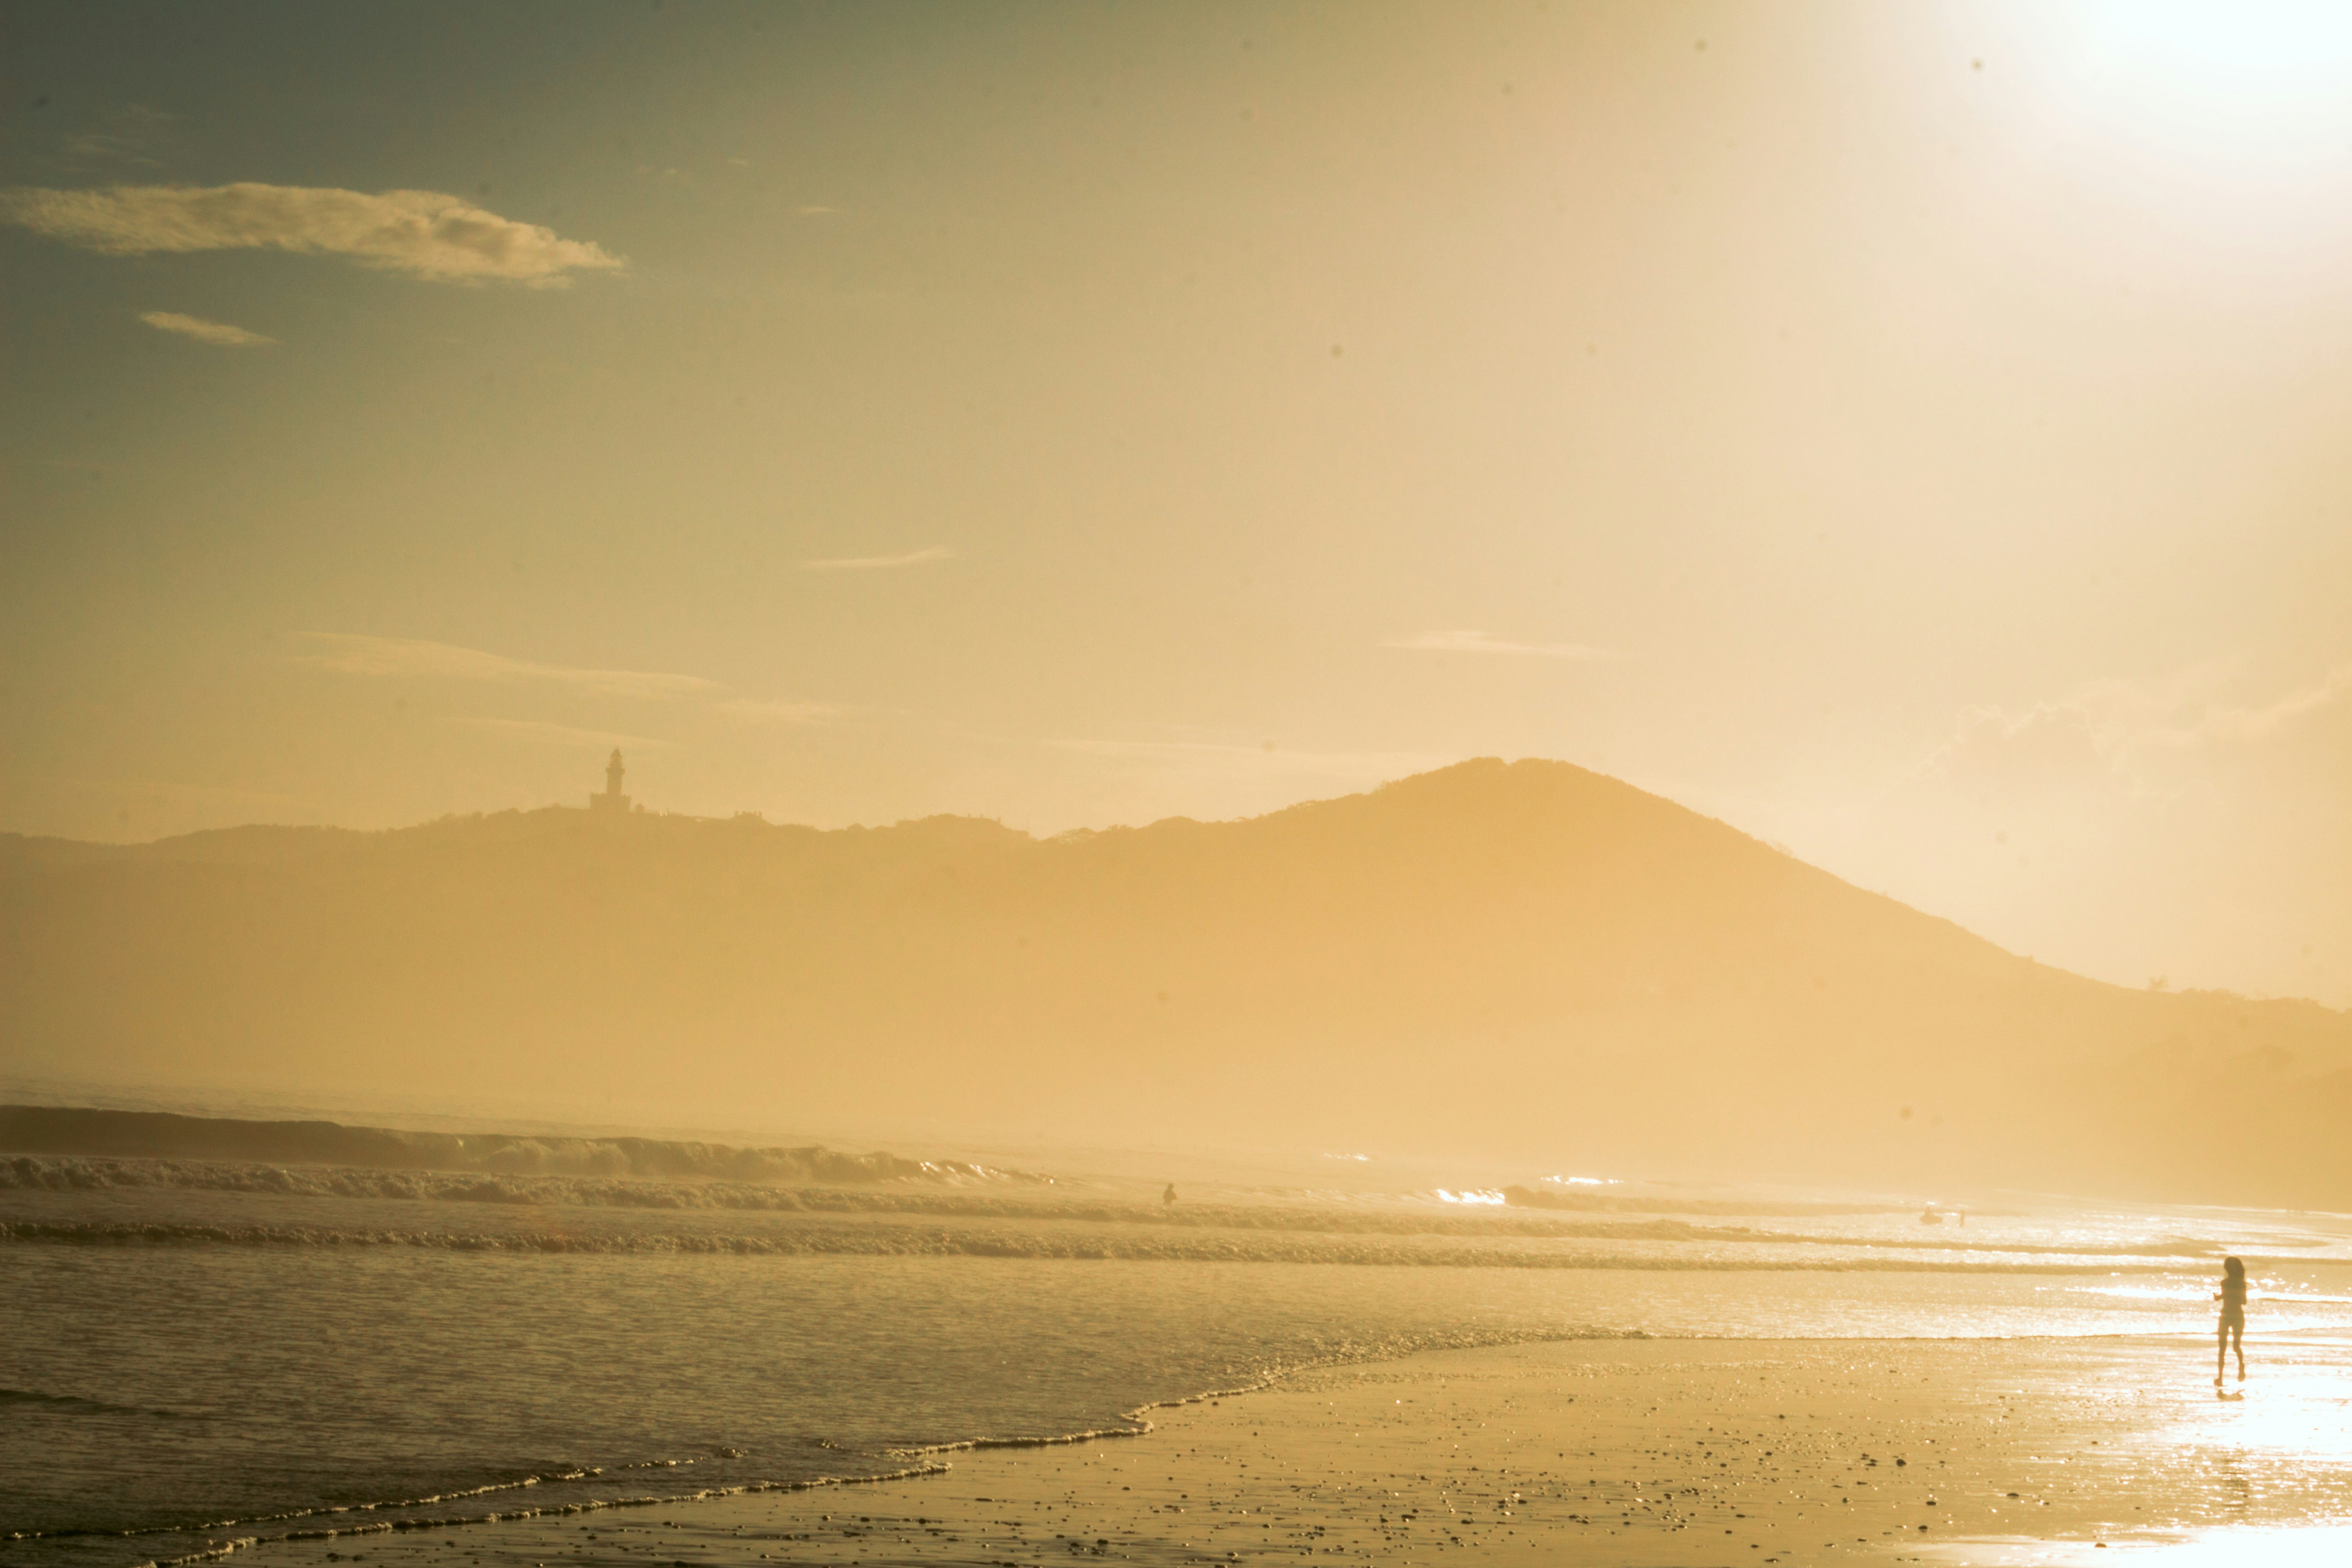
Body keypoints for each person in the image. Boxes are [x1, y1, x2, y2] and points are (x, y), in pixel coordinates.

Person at [2213, 1256, 2249, 1387]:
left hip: (2227, 1315)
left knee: (2223, 1348)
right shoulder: (2240, 1283)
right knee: (2235, 1346)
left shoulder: (2226, 1283)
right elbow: (2243, 1302)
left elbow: (2228, 1298)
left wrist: (2221, 1297)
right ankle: (2239, 1369)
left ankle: (2222, 1377)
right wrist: (2223, 1296)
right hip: (2237, 1315)